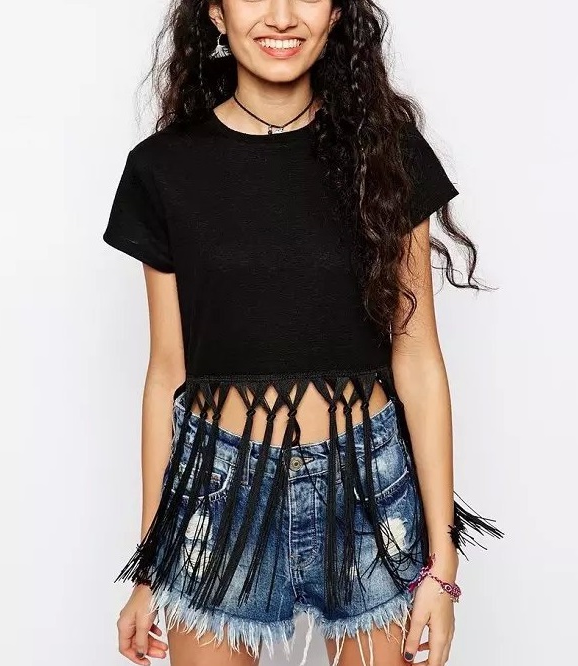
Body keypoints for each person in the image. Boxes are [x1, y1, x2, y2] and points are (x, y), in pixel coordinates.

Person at [103, 1, 503, 665]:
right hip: (217, 490)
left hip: (367, 488)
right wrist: (150, 564)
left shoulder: (386, 152)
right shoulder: (163, 168)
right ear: (215, 12)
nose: (282, 16)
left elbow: (417, 358)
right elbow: (168, 372)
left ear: (337, 13)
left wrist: (442, 561)